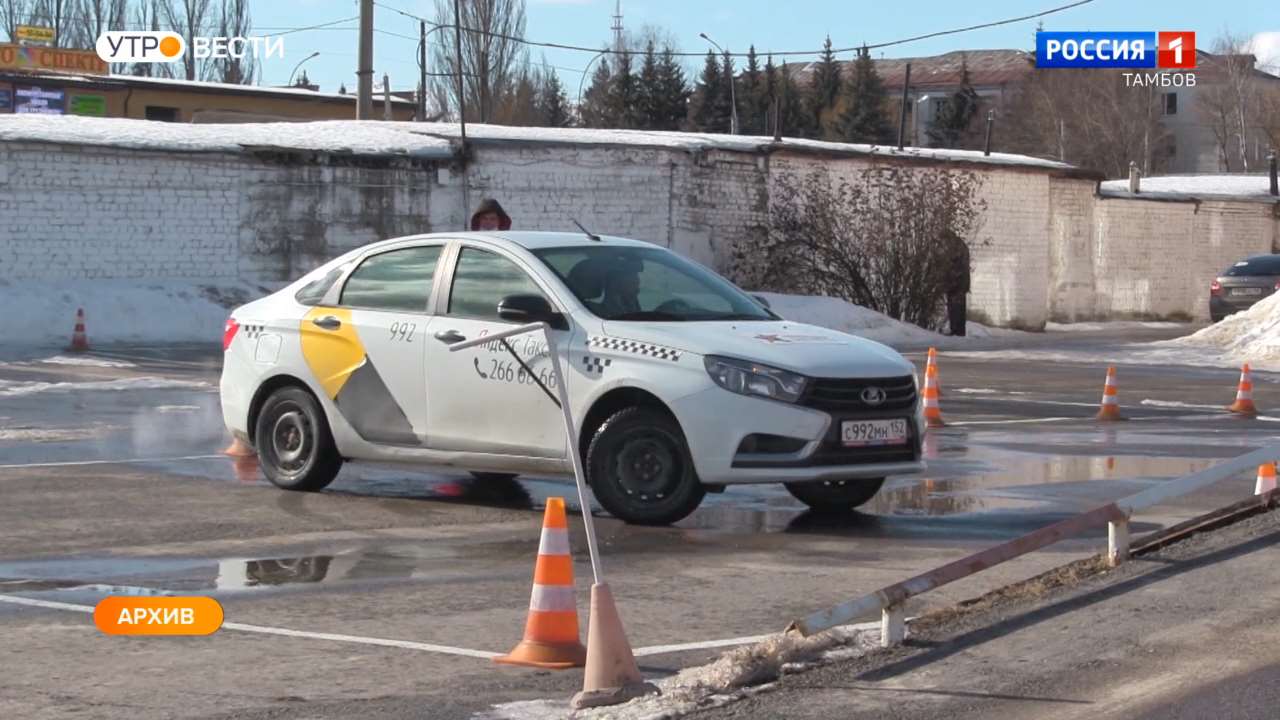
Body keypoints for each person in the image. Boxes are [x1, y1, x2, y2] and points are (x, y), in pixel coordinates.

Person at [944, 232, 971, 337]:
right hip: (960, 282)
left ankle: (956, 330)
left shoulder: (956, 247)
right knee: (958, 307)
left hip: (957, 282)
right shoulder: (960, 245)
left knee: (955, 307)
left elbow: (955, 265)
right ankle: (959, 330)